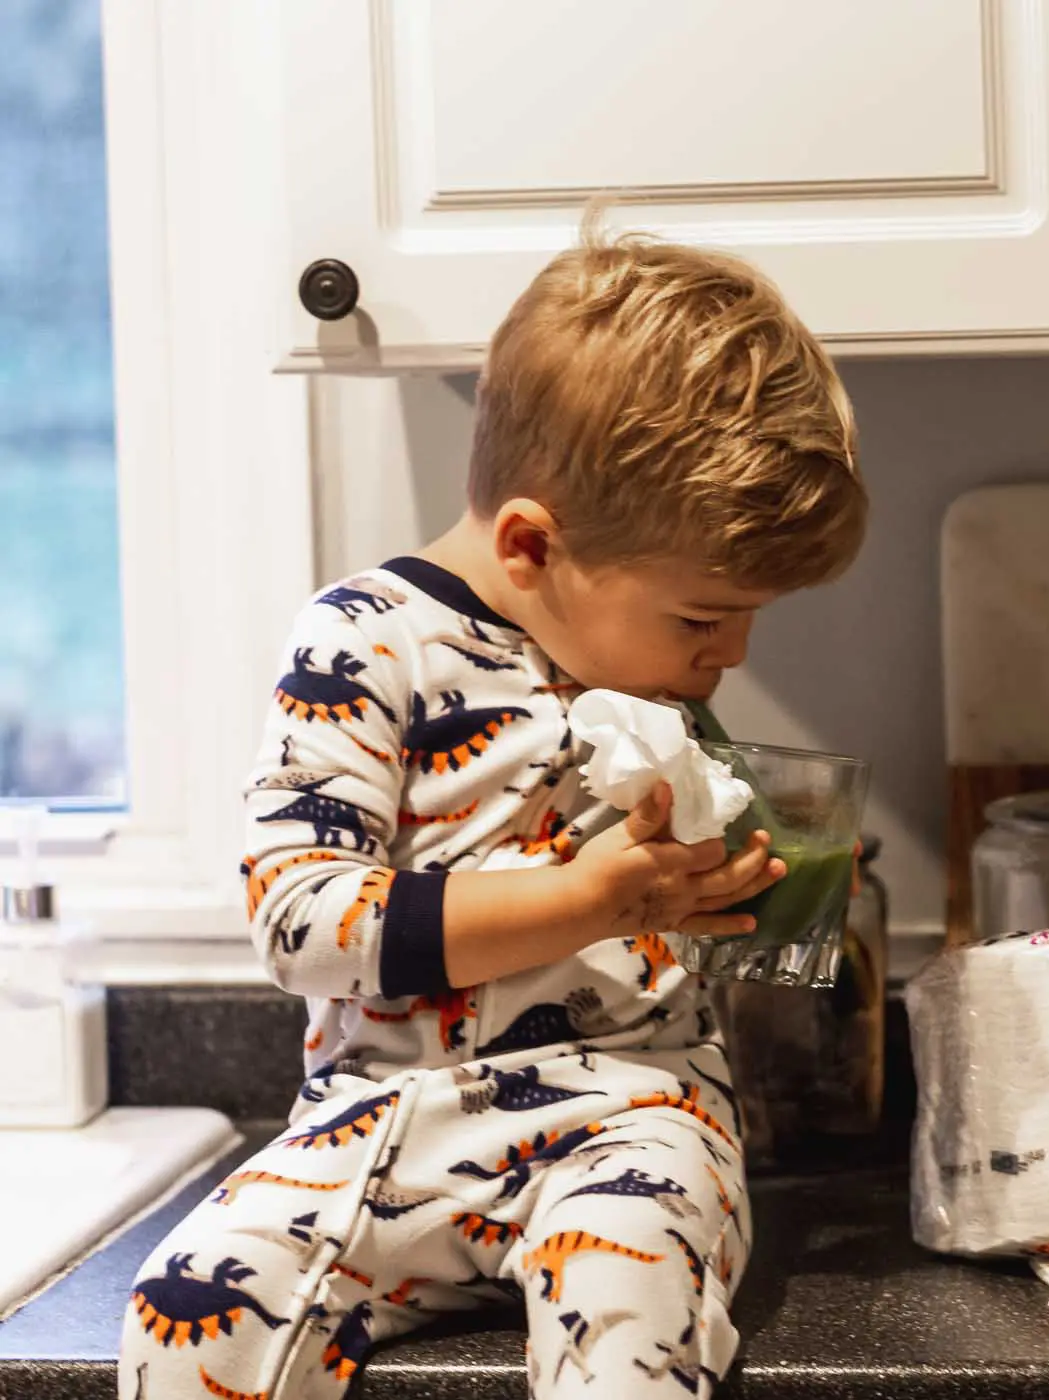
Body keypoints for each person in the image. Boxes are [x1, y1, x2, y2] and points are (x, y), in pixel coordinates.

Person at [118, 217, 866, 1399]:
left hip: (630, 1113)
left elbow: (696, 931)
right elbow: (301, 919)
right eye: (702, 617)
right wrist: (590, 895)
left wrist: (741, 894)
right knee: (185, 1314)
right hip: (376, 1120)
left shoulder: (642, 673)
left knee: (625, 1316)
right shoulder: (364, 643)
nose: (730, 653)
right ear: (531, 543)